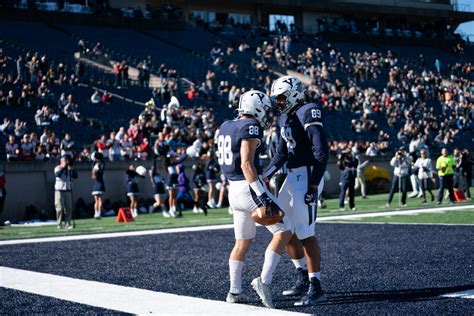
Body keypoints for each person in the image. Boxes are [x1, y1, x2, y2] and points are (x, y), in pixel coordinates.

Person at [218, 90, 292, 308]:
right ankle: (264, 281)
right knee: (284, 230)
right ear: (256, 107)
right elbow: (246, 164)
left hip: (233, 190)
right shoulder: (250, 127)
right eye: (265, 108)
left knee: (242, 242)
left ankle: (234, 291)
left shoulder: (225, 125)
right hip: (248, 187)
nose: (268, 113)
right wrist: (262, 196)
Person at [263, 76, 329, 306]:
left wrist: (313, 184)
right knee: (283, 226)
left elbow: (321, 151)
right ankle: (301, 274)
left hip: (307, 174)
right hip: (292, 176)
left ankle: (316, 286)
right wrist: (265, 174)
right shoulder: (285, 117)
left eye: (281, 97)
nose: (278, 103)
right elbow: (281, 153)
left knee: (305, 231)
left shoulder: (309, 111)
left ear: (294, 94)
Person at [54, 156, 78, 229]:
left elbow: (75, 176)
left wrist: (72, 170)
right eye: (65, 161)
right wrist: (63, 167)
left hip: (68, 189)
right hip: (59, 190)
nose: (66, 162)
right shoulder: (57, 168)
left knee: (69, 208)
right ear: (61, 161)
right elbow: (57, 175)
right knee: (59, 208)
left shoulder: (69, 169)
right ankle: (59, 223)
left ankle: (68, 223)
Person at [91, 152, 106, 219]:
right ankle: (98, 213)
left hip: (96, 183)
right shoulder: (101, 163)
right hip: (100, 182)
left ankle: (96, 213)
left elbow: (94, 172)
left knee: (96, 200)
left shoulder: (96, 164)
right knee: (99, 200)